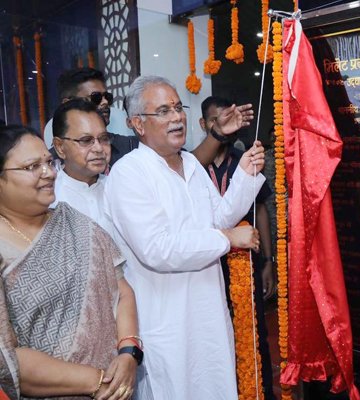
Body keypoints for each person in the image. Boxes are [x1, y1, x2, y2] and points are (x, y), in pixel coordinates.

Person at [103, 76, 266, 399]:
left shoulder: (190, 161)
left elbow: (217, 218)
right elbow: (157, 250)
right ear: (138, 124)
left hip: (208, 313)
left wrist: (245, 175)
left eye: (178, 108)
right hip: (167, 321)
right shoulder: (129, 173)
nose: (177, 117)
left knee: (216, 386)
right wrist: (228, 239)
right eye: (164, 111)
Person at [0, 125, 140, 400]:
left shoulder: (76, 225)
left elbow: (121, 291)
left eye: (48, 162)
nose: (49, 173)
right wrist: (99, 382)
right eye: (32, 167)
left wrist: (129, 352)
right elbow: (7, 358)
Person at [199, 95, 277, 399]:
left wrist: (268, 260)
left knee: (254, 330)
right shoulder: (192, 164)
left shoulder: (243, 159)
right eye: (216, 120)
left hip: (246, 258)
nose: (223, 125)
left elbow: (261, 210)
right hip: (207, 265)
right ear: (204, 124)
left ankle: (260, 391)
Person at [46, 67, 255, 169]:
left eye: (107, 97)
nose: (104, 103)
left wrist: (217, 133)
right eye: (95, 98)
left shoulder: (127, 146)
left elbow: (188, 163)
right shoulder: (52, 164)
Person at [50, 99, 112, 227]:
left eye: (103, 138)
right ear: (60, 147)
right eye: (86, 140)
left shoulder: (119, 187)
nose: (99, 148)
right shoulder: (49, 198)